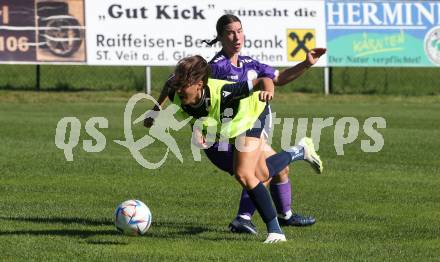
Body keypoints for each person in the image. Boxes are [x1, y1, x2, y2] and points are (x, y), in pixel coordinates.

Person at [145, 14, 326, 235]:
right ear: (220, 37)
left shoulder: (250, 64)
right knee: (255, 173)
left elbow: (277, 78)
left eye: (239, 31)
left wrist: (306, 64)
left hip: (246, 122)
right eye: (230, 32)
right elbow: (180, 91)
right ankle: (296, 159)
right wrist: (161, 115)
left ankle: (278, 216)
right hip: (220, 134)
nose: (237, 36)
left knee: (261, 172)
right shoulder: (214, 69)